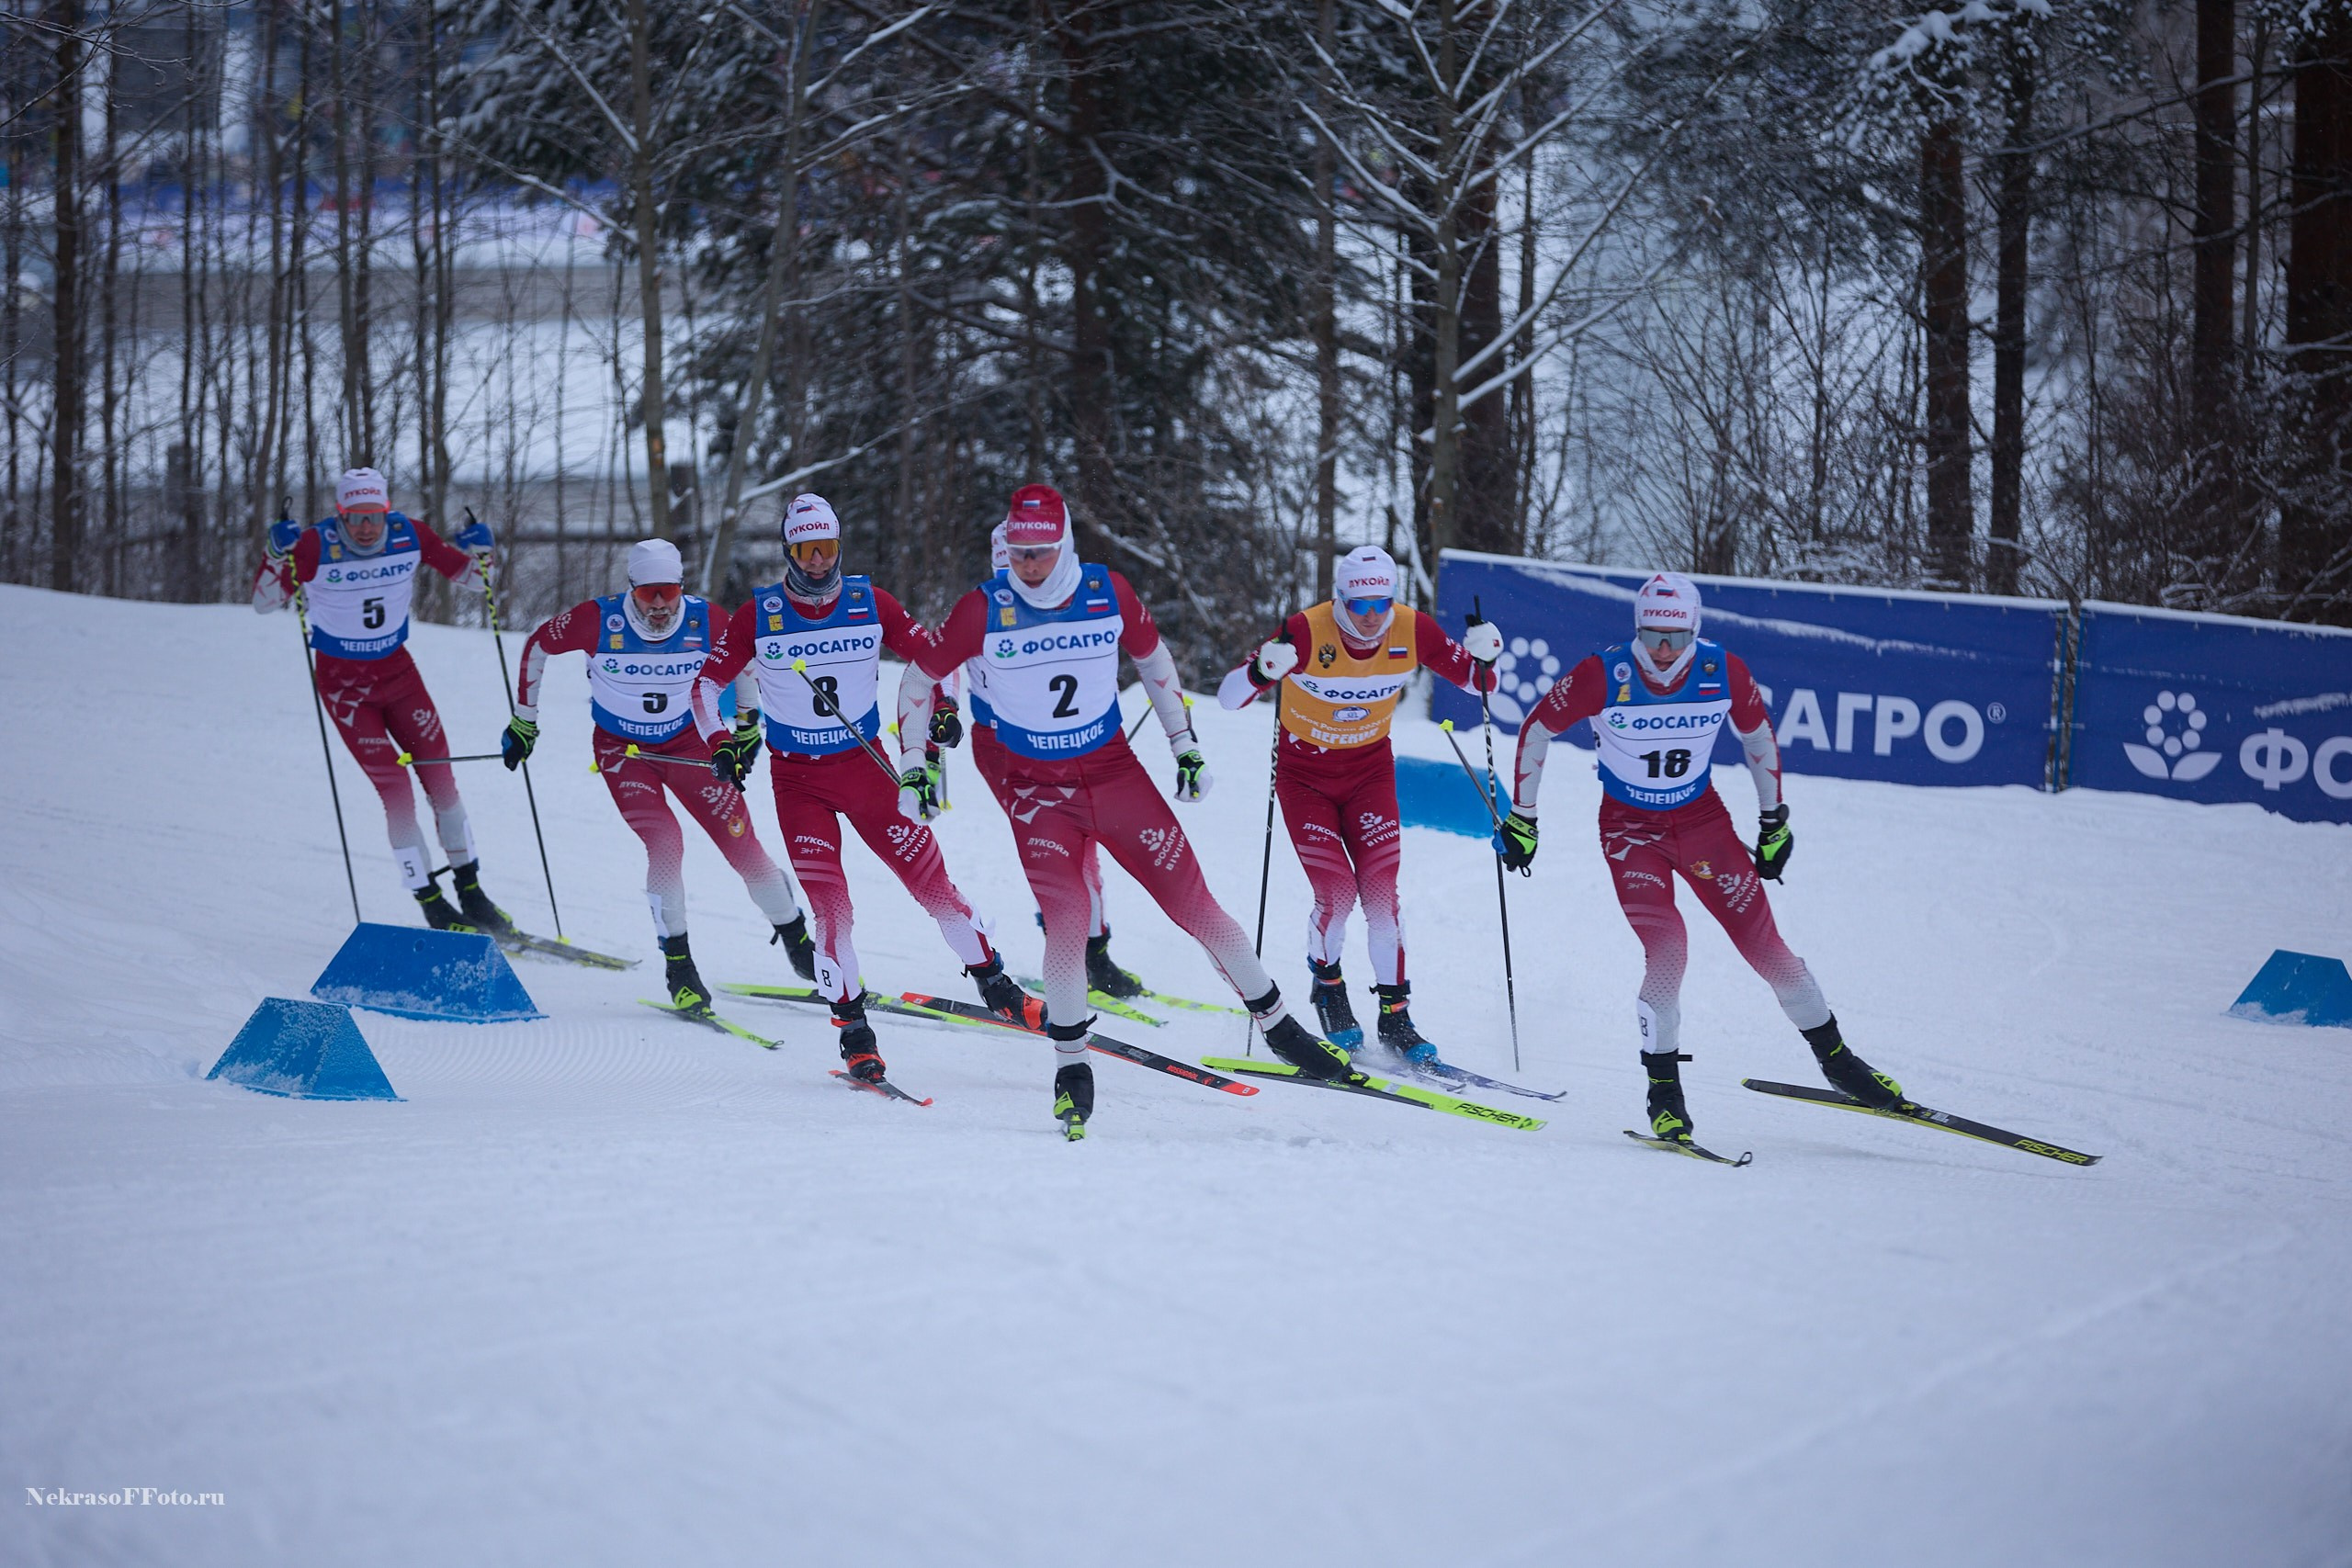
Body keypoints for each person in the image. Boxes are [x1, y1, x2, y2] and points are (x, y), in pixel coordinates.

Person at [904, 483, 1354, 1137]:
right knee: (1067, 919)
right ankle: (1071, 1067)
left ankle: (1281, 1026)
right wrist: (915, 763)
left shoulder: (1107, 590)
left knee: (1195, 904)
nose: (1028, 565)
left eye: (1042, 552)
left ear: (1065, 545)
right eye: (1020, 553)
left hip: (1116, 776)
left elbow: (1154, 658)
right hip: (1037, 790)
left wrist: (1185, 744)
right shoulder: (982, 608)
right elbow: (919, 679)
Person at [1493, 571, 1905, 1146]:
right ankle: (1664, 1095)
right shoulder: (1604, 673)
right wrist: (1524, 817)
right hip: (1630, 830)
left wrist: (1773, 820)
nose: (1662, 651)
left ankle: (1839, 1062)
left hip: (1703, 824)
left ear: (1696, 630)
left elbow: (1758, 736)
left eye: (1676, 638)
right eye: (1651, 635)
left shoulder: (1721, 669)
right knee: (1669, 947)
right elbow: (1536, 729)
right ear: (1637, 627)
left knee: (1769, 949)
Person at [689, 494, 1024, 1085]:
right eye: (806, 551)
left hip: (866, 765)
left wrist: (942, 706)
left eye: (828, 549)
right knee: (833, 911)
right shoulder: (759, 615)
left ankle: (994, 981)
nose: (818, 563)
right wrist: (721, 740)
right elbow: (704, 686)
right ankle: (854, 1032)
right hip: (798, 781)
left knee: (931, 882)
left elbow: (932, 658)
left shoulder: (872, 602)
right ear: (789, 551)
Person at [1215, 545, 1502, 1063]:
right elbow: (1228, 697)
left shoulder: (1413, 629)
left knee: (1381, 896)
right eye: (1358, 605)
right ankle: (1328, 985)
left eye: (1380, 604)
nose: (1370, 617)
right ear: (1340, 598)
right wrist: (1261, 671)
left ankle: (1396, 1016)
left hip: (1369, 772)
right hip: (1305, 778)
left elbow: (1481, 686)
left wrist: (1485, 657)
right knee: (1337, 892)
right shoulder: (1304, 631)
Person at [500, 538, 813, 1010]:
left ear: (681, 587)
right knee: (665, 843)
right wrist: (525, 719)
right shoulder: (597, 619)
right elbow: (537, 646)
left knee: (742, 844)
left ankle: (799, 943)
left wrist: (746, 726)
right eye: (648, 594)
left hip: (690, 744)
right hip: (624, 751)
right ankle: (679, 966)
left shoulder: (705, 617)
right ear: (631, 589)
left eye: (668, 591)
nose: (660, 605)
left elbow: (745, 662)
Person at [253, 467, 516, 933]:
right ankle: (431, 902)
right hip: (345, 688)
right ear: (340, 515)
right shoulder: (313, 546)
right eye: (355, 518)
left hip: (399, 675)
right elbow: (265, 602)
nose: (366, 527)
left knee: (443, 785)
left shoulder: (409, 534)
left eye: (373, 515)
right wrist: (277, 554)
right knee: (395, 794)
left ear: (387, 510)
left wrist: (484, 550)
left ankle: (471, 892)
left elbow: (476, 581)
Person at [930, 521, 1148, 1001]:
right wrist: (943, 708)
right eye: (1007, 562)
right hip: (1000, 745)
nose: (1021, 574)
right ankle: (1073, 948)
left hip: (1067, 742)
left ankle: (1093, 952)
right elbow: (938, 667)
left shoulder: (1059, 608)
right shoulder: (981, 609)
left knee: (1087, 840)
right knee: (1054, 843)